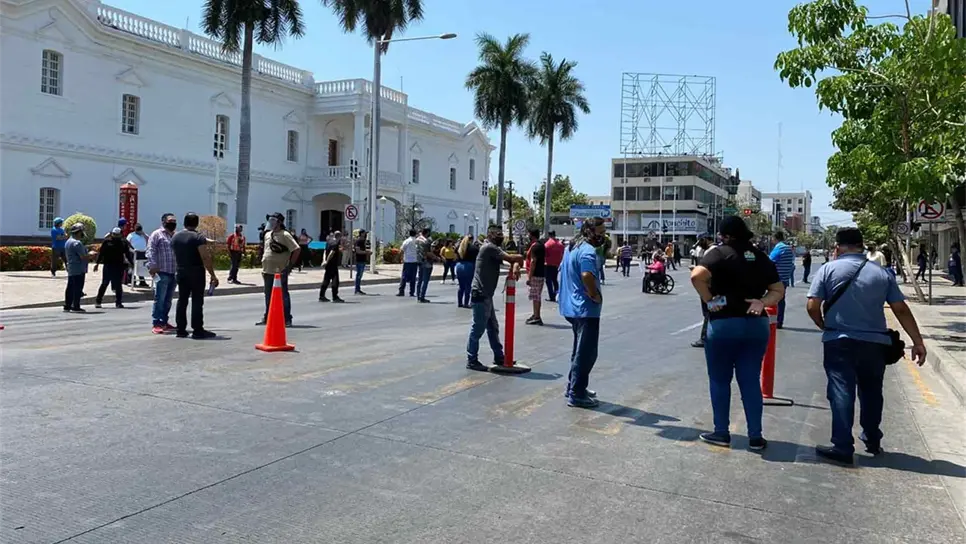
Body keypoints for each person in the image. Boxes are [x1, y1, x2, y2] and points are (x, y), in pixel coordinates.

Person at [806, 227, 927, 464]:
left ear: (838, 247)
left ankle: (842, 446)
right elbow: (900, 308)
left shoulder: (829, 269)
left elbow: (812, 305)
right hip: (875, 344)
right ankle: (872, 438)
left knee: (842, 391)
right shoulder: (882, 273)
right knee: (872, 392)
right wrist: (917, 342)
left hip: (839, 341)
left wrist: (823, 324)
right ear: (862, 246)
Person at [690, 216, 785, 450]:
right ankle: (756, 436)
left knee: (720, 380)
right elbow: (778, 289)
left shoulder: (719, 253)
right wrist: (761, 302)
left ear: (724, 234)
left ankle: (721, 432)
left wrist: (710, 300)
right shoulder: (761, 256)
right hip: (756, 324)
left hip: (724, 324)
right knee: (750, 380)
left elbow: (696, 276)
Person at [559, 217, 607, 408]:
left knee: (578, 351)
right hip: (585, 309)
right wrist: (594, 294)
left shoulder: (571, 248)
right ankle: (577, 393)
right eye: (600, 233)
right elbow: (586, 274)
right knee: (587, 353)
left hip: (571, 307)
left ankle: (574, 385)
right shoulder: (587, 250)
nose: (602, 236)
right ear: (590, 231)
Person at [465, 225, 524, 371]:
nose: (500, 236)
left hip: (486, 295)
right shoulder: (489, 247)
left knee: (492, 327)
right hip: (481, 293)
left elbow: (512, 260)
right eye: (497, 234)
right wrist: (516, 261)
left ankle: (499, 356)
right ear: (490, 235)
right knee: (478, 328)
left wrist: (515, 265)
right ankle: (472, 359)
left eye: (501, 234)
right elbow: (514, 258)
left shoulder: (493, 248)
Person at [170, 212, 218, 339]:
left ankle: (180, 329)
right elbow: (205, 257)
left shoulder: (175, 237)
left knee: (182, 300)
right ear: (196, 223)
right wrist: (212, 274)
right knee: (197, 301)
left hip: (181, 270)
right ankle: (197, 329)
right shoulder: (198, 237)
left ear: (184, 222)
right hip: (196, 271)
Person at [258, 213, 300, 326]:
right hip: (267, 270)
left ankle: (287, 318)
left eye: (273, 220)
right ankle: (268, 317)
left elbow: (296, 249)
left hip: (280, 270)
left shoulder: (285, 235)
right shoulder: (268, 234)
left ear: (279, 222)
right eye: (270, 220)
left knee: (283, 294)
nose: (271, 222)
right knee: (268, 295)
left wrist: (290, 265)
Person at [147, 213, 178, 334]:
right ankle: (157, 323)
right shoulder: (157, 234)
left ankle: (164, 321)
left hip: (173, 272)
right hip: (161, 271)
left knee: (168, 299)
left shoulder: (175, 236)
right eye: (171, 221)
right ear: (164, 222)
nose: (173, 223)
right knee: (159, 298)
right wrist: (152, 265)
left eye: (175, 221)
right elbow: (150, 250)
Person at [94, 227, 133, 308]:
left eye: (117, 235)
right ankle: (98, 301)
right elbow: (101, 253)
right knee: (105, 283)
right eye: (114, 234)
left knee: (118, 284)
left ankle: (118, 302)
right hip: (108, 265)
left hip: (119, 266)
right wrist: (97, 263)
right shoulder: (107, 242)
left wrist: (131, 263)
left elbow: (127, 254)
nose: (115, 236)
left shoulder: (123, 242)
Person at [768, 231, 795, 329]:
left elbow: (770, 262)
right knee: (781, 300)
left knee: (772, 300)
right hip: (784, 279)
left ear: (775, 238)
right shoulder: (788, 248)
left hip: (776, 280)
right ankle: (779, 321)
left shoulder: (779, 248)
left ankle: (773, 321)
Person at [690, 237, 713, 348]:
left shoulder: (711, 251)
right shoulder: (713, 250)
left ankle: (705, 338)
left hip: (709, 286)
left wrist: (696, 269)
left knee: (708, 313)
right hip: (713, 286)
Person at [63, 223, 90, 312]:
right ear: (79, 232)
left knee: (70, 287)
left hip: (71, 267)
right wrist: (91, 254)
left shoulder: (68, 241)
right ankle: (76, 306)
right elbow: (83, 257)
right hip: (78, 268)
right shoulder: (77, 243)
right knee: (78, 287)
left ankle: (67, 305)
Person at [525, 228, 546, 325]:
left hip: (536, 275)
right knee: (535, 296)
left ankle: (537, 316)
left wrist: (529, 277)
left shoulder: (535, 247)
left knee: (536, 296)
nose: (527, 236)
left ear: (532, 235)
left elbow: (533, 261)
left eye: (528, 234)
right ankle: (535, 314)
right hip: (540, 273)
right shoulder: (540, 245)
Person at [319, 231, 345, 303]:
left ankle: (321, 296)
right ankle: (335, 297)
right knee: (335, 281)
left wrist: (324, 260)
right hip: (332, 264)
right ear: (339, 236)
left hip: (328, 265)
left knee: (326, 280)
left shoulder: (328, 241)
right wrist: (327, 261)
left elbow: (325, 251)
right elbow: (332, 253)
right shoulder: (335, 243)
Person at [455, 234, 479, 308]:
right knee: (468, 285)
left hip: (459, 265)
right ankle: (466, 303)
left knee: (461, 286)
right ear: (471, 239)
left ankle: (460, 303)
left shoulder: (459, 247)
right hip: (469, 266)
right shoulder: (474, 248)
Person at [415, 228, 436, 303]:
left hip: (419, 261)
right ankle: (422, 296)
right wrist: (436, 258)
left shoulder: (417, 239)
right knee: (425, 280)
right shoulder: (426, 241)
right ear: (427, 233)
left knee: (420, 280)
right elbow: (428, 253)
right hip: (426, 261)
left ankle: (418, 296)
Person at [397, 230, 419, 297]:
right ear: (415, 234)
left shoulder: (407, 241)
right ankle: (412, 292)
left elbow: (401, 250)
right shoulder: (417, 241)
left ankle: (401, 291)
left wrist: (400, 258)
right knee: (413, 277)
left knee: (404, 276)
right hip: (415, 261)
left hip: (407, 261)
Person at [544, 231, 564, 302]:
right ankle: (557, 295)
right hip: (557, 265)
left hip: (548, 265)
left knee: (548, 281)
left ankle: (552, 296)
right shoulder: (560, 244)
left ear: (549, 235)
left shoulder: (547, 244)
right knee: (555, 281)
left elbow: (545, 255)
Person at [353, 230, 371, 295]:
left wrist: (367, 252)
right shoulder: (359, 241)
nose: (365, 235)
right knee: (359, 275)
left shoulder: (363, 241)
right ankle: (357, 290)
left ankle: (358, 289)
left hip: (363, 260)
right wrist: (366, 252)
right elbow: (358, 251)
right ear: (362, 234)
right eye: (364, 233)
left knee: (360, 275)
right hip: (359, 260)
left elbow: (363, 250)